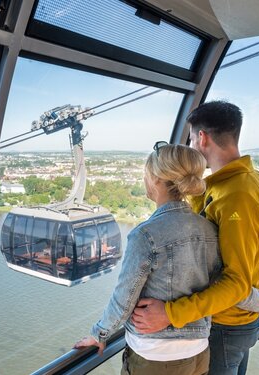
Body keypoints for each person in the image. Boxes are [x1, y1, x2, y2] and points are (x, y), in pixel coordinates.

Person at [131, 101, 259, 375]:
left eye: (190, 139)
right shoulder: (234, 183)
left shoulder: (237, 195)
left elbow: (236, 283)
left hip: (225, 325)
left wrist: (170, 314)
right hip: (231, 321)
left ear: (202, 137)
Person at [74, 143, 220, 375]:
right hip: (198, 352)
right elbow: (219, 287)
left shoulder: (145, 235)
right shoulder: (209, 230)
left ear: (156, 179)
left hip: (155, 355)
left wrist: (99, 334)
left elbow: (125, 298)